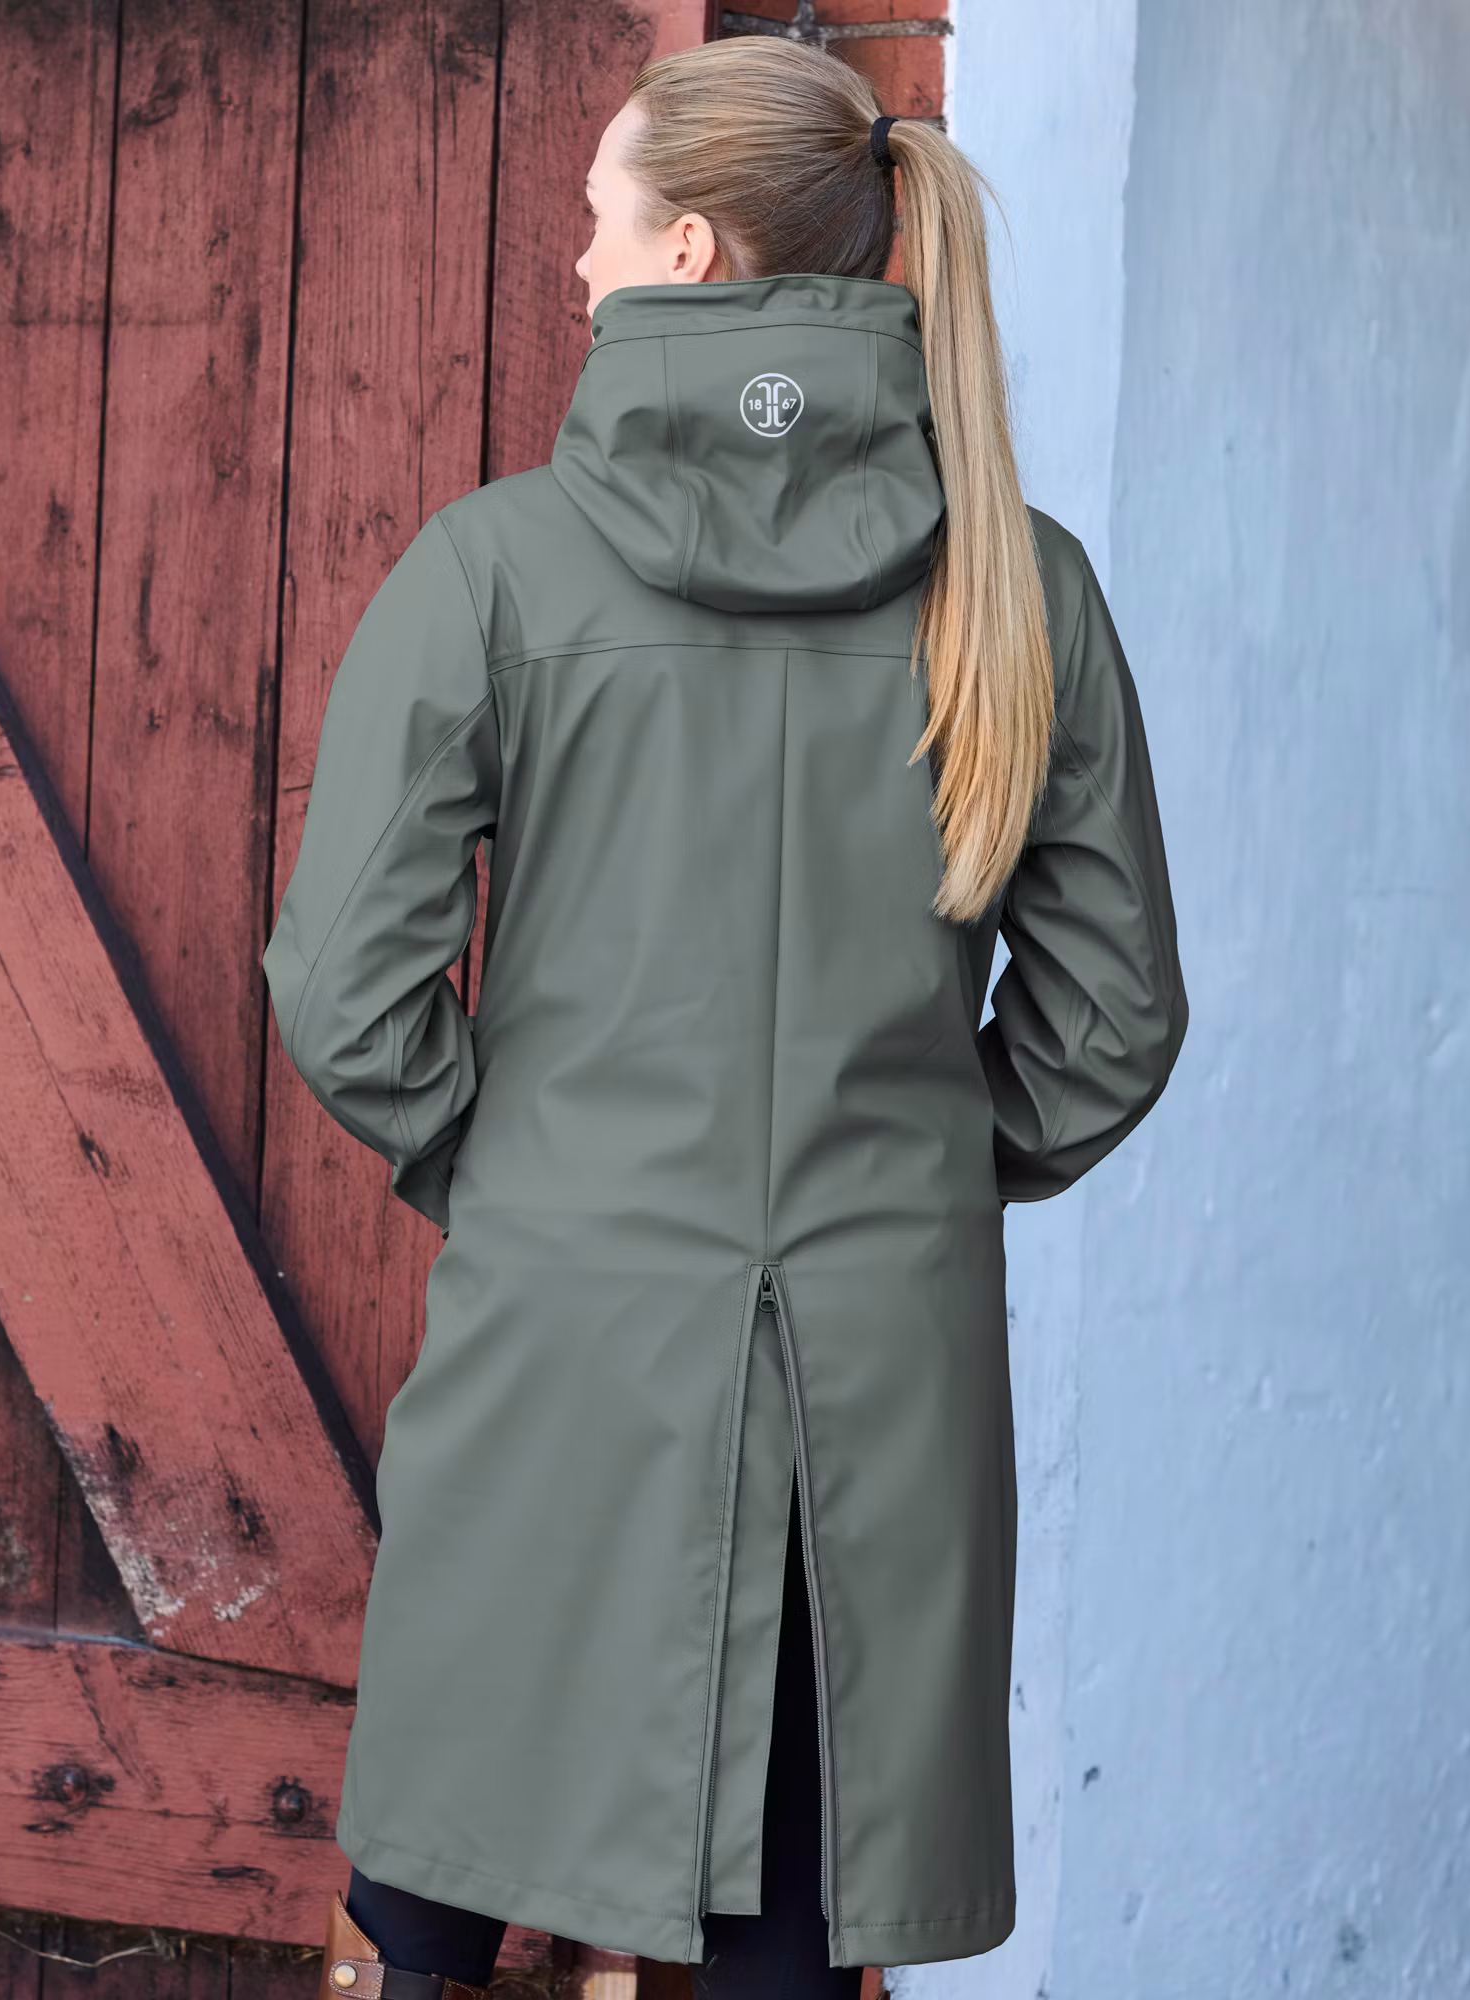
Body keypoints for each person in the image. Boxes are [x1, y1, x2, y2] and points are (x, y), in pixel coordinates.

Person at [264, 34, 1187, 2000]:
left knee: (435, 1887)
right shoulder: (1021, 587)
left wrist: (521, 1170)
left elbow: (345, 985)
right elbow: (1109, 1020)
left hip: (557, 1337)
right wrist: (914, 1170)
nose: (575, 262)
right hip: (879, 1367)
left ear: (687, 249)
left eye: (597, 220)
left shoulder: (492, 571)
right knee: (796, 1921)